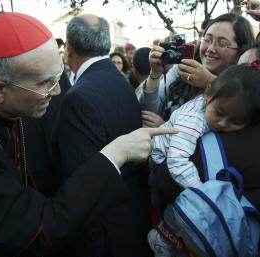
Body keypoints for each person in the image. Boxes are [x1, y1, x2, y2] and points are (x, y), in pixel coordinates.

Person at [0, 11, 177, 257]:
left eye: (58, 75)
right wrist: (115, 155)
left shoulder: (33, 88)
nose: (58, 90)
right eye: (45, 84)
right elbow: (32, 232)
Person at [150, 42, 260, 256]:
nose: (238, 75)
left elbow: (165, 179)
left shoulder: (250, 127)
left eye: (248, 70)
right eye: (236, 67)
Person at [52, 14, 152, 257]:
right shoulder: (119, 80)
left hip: (104, 234)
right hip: (131, 219)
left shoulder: (78, 97)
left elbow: (84, 183)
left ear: (70, 47)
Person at [137, 13, 255, 121]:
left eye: (222, 43)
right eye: (207, 40)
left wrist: (209, 82)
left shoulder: (247, 87)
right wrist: (155, 73)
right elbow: (148, 112)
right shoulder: (182, 69)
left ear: (240, 52)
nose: (210, 49)